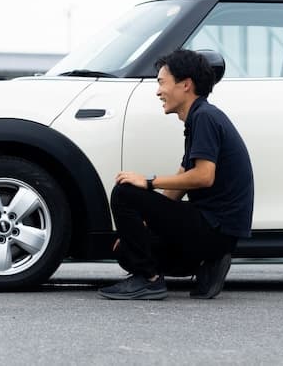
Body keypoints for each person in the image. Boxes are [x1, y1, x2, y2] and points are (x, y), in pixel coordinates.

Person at [98, 49, 254, 300]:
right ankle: (208, 265)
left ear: (185, 85)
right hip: (216, 234)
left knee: (124, 192)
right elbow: (181, 182)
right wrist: (141, 226)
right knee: (128, 251)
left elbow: (204, 177)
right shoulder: (199, 118)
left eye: (161, 82)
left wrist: (148, 183)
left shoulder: (204, 117)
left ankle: (149, 280)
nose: (158, 92)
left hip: (213, 228)